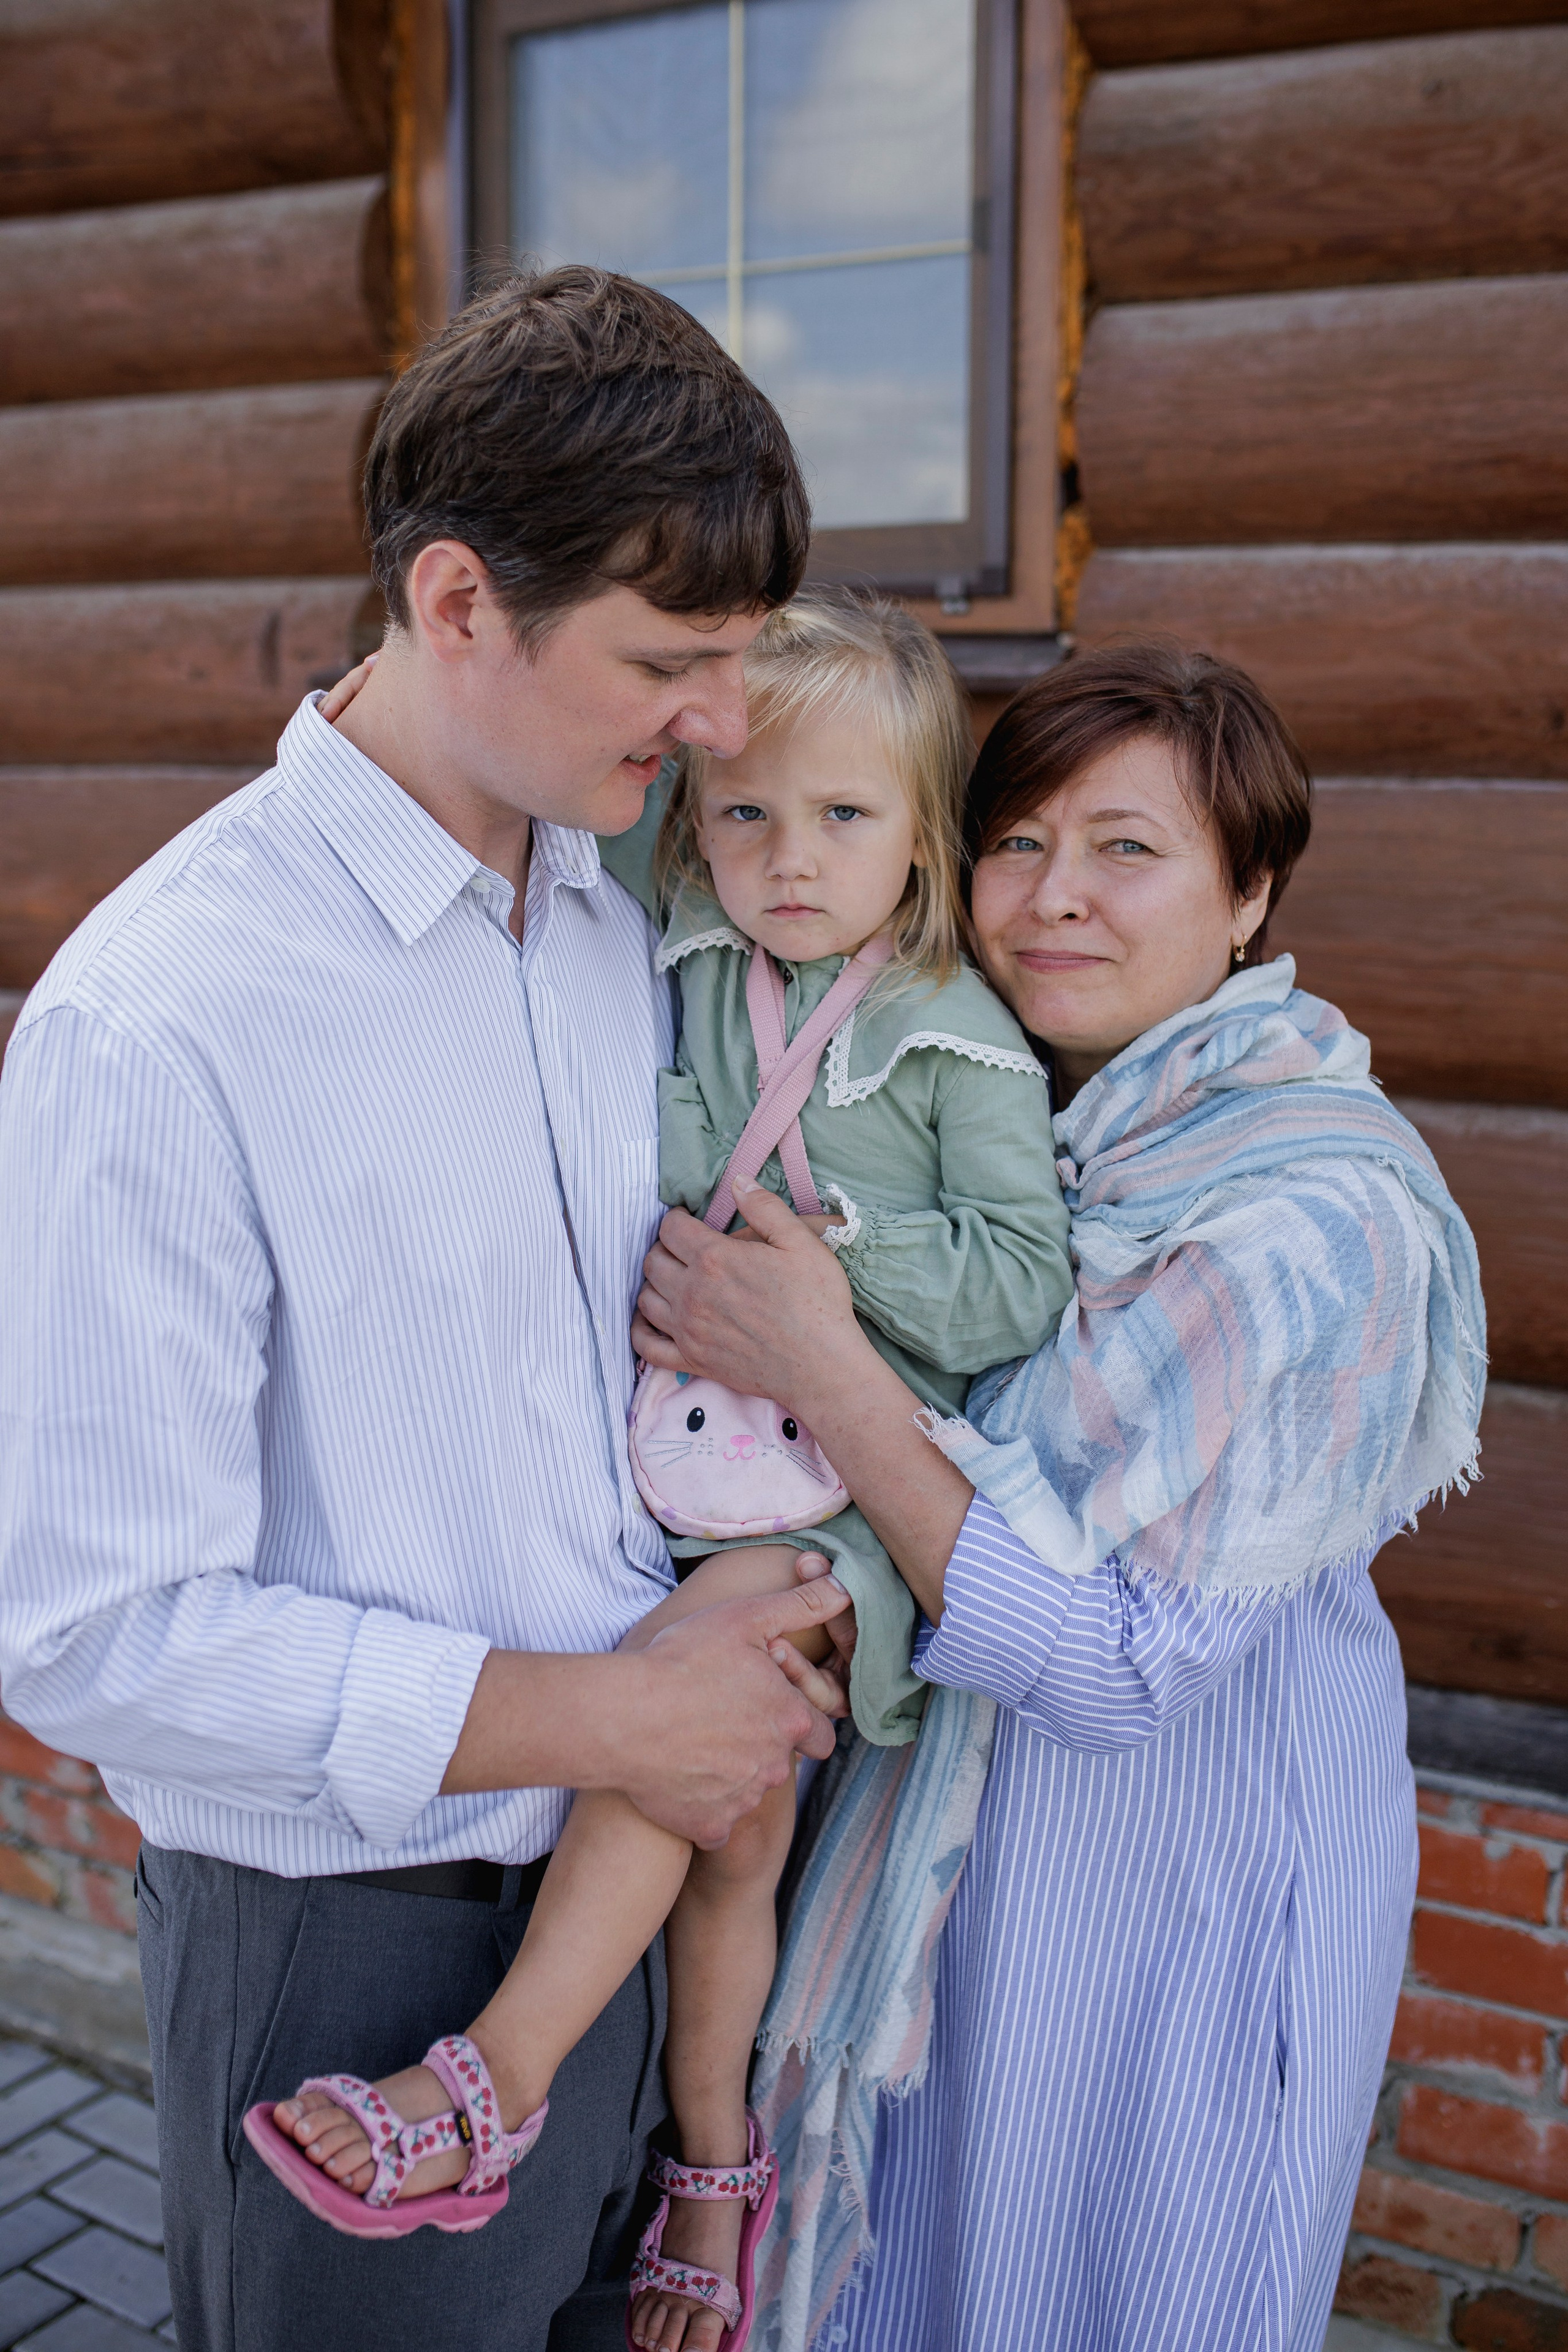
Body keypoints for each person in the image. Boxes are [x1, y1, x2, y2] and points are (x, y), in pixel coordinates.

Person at [0, 266, 856, 2352]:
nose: (724, 730)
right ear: (458, 601)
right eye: (673, 661)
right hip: (349, 1959)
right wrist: (616, 1716)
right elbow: (93, 1633)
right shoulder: (162, 1018)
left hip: (643, 1894)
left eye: (742, 663)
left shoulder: (606, 920)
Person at [634, 644, 1486, 2352]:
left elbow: (1114, 1663)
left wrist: (827, 1366)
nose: (1052, 899)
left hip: (1181, 1896)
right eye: (1017, 843)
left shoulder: (1310, 1217)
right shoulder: (1038, 1135)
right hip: (965, 1887)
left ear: (1248, 896)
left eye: (1126, 849)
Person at [260, 588, 1074, 2352]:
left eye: (848, 816)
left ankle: (498, 2075)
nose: (792, 857)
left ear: (924, 837)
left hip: (847, 1496)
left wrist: (819, 1267)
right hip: (679, 1468)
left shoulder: (954, 1036)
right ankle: (717, 2165)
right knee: (732, 1835)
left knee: (680, 1711)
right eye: (750, 814)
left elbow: (1018, 1277)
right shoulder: (687, 960)